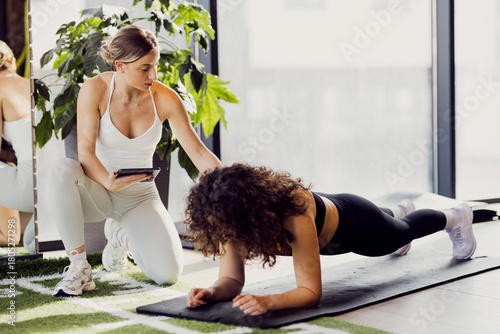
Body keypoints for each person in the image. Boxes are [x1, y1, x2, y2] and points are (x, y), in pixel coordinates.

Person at [49, 25, 222, 297]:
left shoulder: (165, 98)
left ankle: (119, 237)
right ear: (120, 65)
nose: (153, 75)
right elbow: (85, 153)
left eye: (155, 65)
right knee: (62, 169)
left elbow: (198, 152)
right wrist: (108, 180)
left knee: (167, 275)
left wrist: (232, 185)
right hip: (99, 192)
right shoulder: (94, 90)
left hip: (140, 197)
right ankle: (79, 267)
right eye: (144, 68)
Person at [184, 163, 477, 316]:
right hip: (333, 224)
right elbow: (232, 282)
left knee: (399, 234)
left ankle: (455, 216)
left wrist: (268, 301)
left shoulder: (293, 214)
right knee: (394, 224)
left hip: (356, 224)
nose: (223, 233)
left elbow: (310, 293)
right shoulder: (226, 220)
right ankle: (397, 210)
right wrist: (211, 292)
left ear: (248, 212)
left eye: (225, 225)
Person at [0, 41, 34, 250]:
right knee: (30, 244)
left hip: (29, 190)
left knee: (10, 169)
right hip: (59, 188)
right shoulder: (35, 83)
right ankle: (10, 234)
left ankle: (8, 235)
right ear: (12, 60)